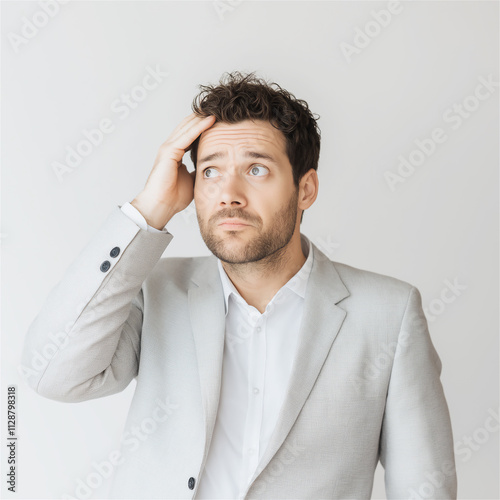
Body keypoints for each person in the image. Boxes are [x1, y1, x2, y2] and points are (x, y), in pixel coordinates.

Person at [21, 71, 457, 499]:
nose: (229, 193)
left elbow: (424, 488)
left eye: (256, 169)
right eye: (210, 172)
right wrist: (148, 209)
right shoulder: (154, 290)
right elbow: (54, 375)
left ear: (305, 189)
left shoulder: (388, 313)